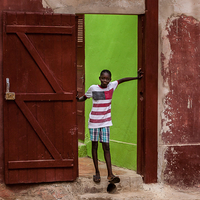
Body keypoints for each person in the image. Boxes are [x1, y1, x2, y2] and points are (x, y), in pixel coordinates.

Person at [76, 69, 143, 184]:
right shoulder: (93, 88)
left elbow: (122, 80)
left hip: (106, 123)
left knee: (106, 147)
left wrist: (136, 78)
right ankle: (97, 172)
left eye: (107, 78)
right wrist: (77, 99)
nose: (105, 80)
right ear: (99, 78)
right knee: (95, 146)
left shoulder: (112, 86)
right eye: (103, 78)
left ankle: (110, 174)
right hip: (94, 122)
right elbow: (85, 97)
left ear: (110, 80)